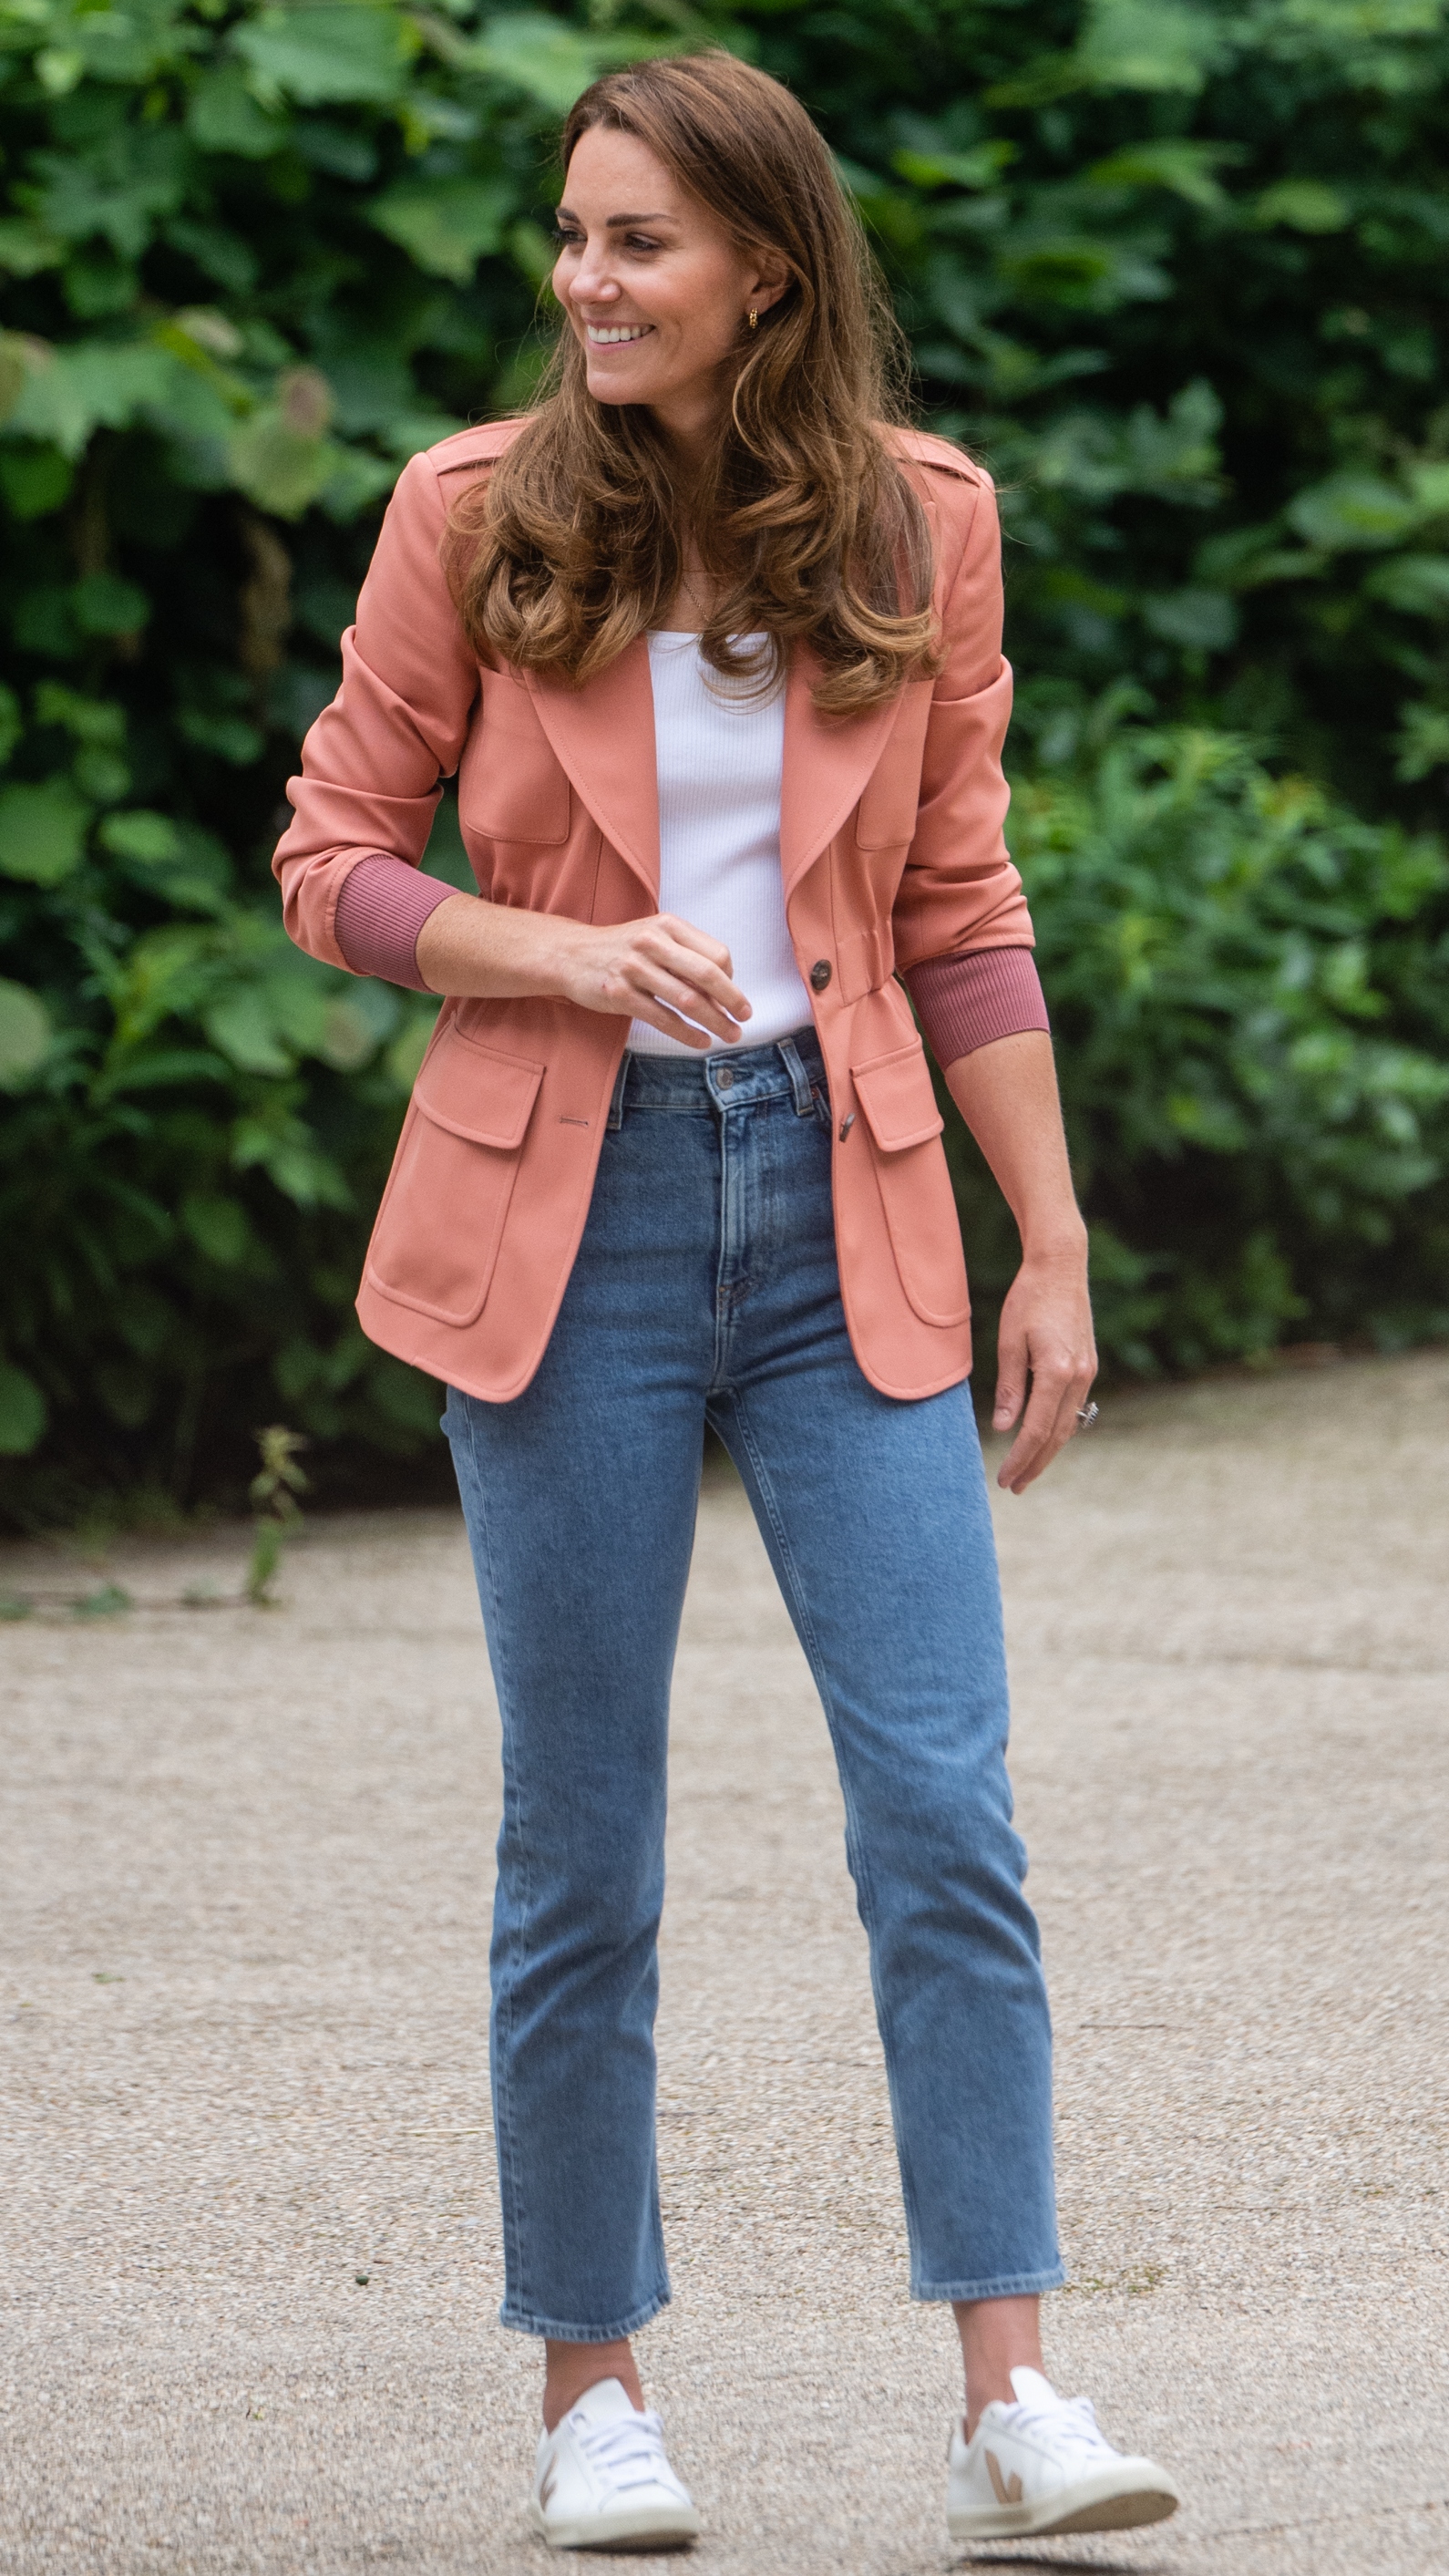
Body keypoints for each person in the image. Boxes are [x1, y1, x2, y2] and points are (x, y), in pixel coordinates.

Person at [273, 46, 1180, 2554]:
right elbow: (333, 859)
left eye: (637, 243)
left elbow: (962, 907)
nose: (585, 282)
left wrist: (1055, 1242)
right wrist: (555, 951)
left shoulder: (918, 525)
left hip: (849, 1203)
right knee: (587, 1835)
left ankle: (1014, 2384)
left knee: (943, 1807)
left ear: (762, 267)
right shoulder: (469, 513)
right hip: (562, 1215)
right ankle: (594, 2388)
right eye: (571, 239)